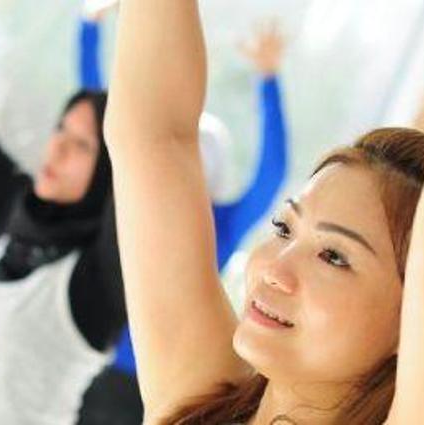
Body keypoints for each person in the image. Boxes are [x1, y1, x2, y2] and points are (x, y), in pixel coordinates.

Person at [105, 0, 424, 423]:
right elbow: (156, 139)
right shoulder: (196, 400)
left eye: (333, 257)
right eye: (284, 229)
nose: (273, 270)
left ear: (413, 321)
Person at [77, 14, 290, 425]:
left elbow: (272, 172)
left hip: (158, 386)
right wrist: (88, 26)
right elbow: (103, 111)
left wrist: (269, 80)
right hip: (95, 368)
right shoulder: (131, 197)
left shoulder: (221, 225)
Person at [0, 0, 125, 422]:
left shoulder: (100, 278)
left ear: (109, 170)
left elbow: (136, 142)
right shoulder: (18, 213)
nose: (59, 147)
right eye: (60, 129)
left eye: (82, 145)